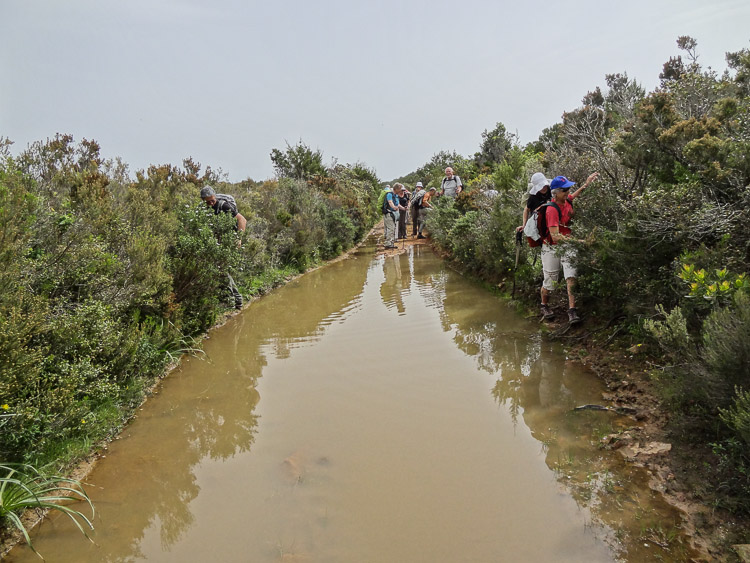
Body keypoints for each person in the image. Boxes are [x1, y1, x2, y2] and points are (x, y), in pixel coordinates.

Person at [540, 173, 599, 324]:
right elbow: (555, 237)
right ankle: (544, 305)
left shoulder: (567, 201)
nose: (568, 192)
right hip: (552, 247)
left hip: (568, 244)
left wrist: (586, 184)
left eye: (568, 189)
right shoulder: (551, 210)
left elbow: (574, 196)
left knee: (571, 276)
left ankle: (572, 310)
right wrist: (580, 241)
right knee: (550, 280)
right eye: (564, 190)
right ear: (556, 193)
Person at [200, 185, 247, 309]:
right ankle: (231, 299)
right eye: (207, 201)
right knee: (220, 270)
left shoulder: (224, 206)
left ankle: (236, 300)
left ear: (215, 196)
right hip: (219, 241)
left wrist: (239, 238)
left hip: (230, 241)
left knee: (222, 270)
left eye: (212, 200)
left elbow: (242, 219)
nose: (210, 203)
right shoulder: (206, 208)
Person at [383, 183, 405, 249]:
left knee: (393, 228)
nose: (401, 190)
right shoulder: (389, 194)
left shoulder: (396, 195)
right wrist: (394, 207)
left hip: (393, 214)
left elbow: (397, 204)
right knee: (391, 228)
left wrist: (403, 208)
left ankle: (391, 243)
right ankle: (388, 244)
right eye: (400, 189)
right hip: (388, 213)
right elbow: (390, 202)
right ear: (396, 189)